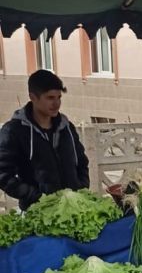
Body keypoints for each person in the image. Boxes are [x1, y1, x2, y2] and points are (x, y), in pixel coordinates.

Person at [0, 70, 90, 210]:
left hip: (74, 208)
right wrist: (34, 196)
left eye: (59, 97)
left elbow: (82, 162)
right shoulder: (14, 131)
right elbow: (3, 174)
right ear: (33, 97)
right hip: (37, 212)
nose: (56, 103)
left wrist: (81, 187)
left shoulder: (66, 127)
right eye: (50, 98)